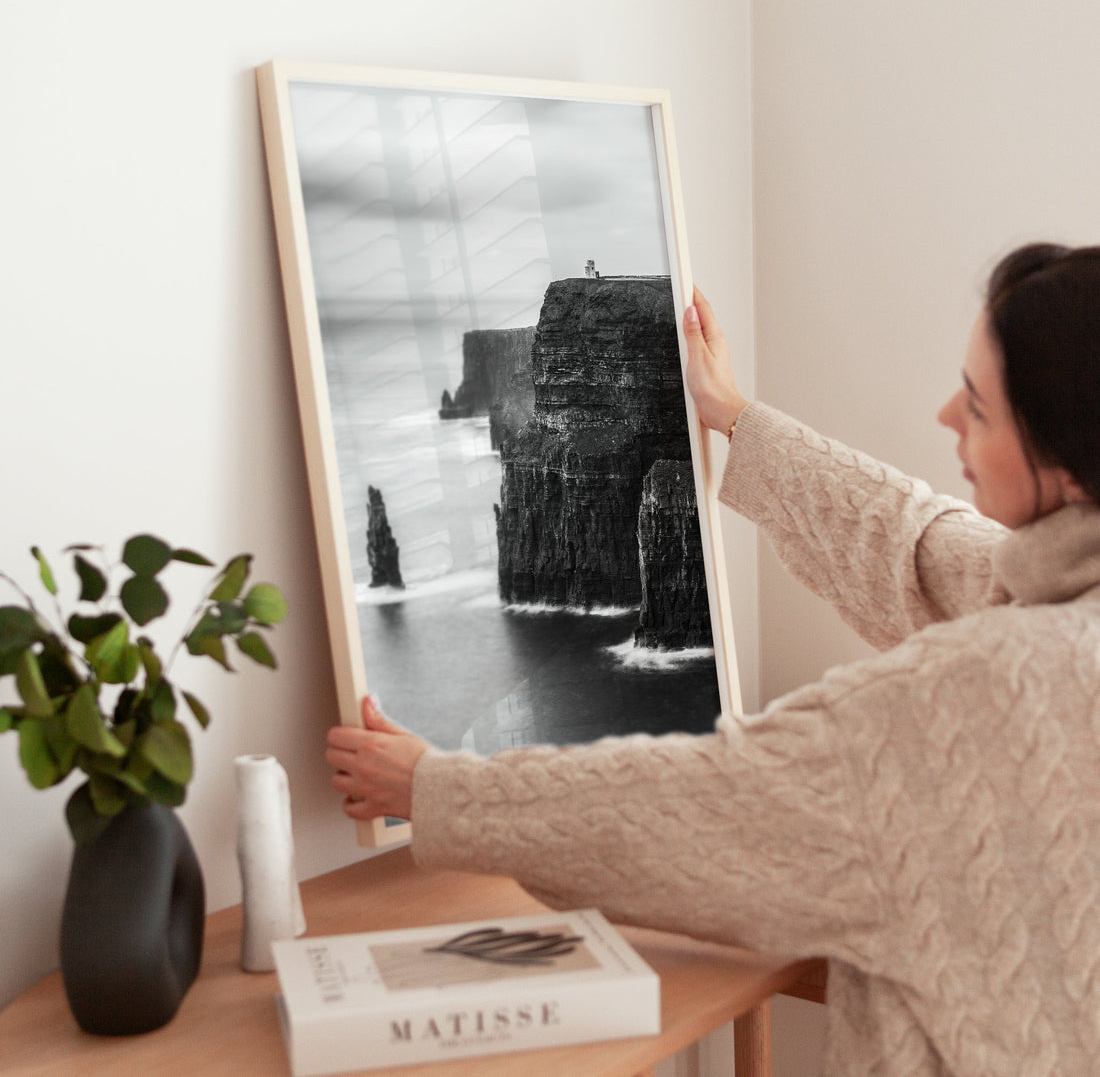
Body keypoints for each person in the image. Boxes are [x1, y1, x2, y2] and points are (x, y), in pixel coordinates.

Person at [325, 243, 1100, 1076]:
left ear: (1065, 464)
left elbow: (706, 804)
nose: (947, 415)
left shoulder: (980, 694)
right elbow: (917, 546)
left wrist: (435, 790)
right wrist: (734, 417)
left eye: (979, 408)